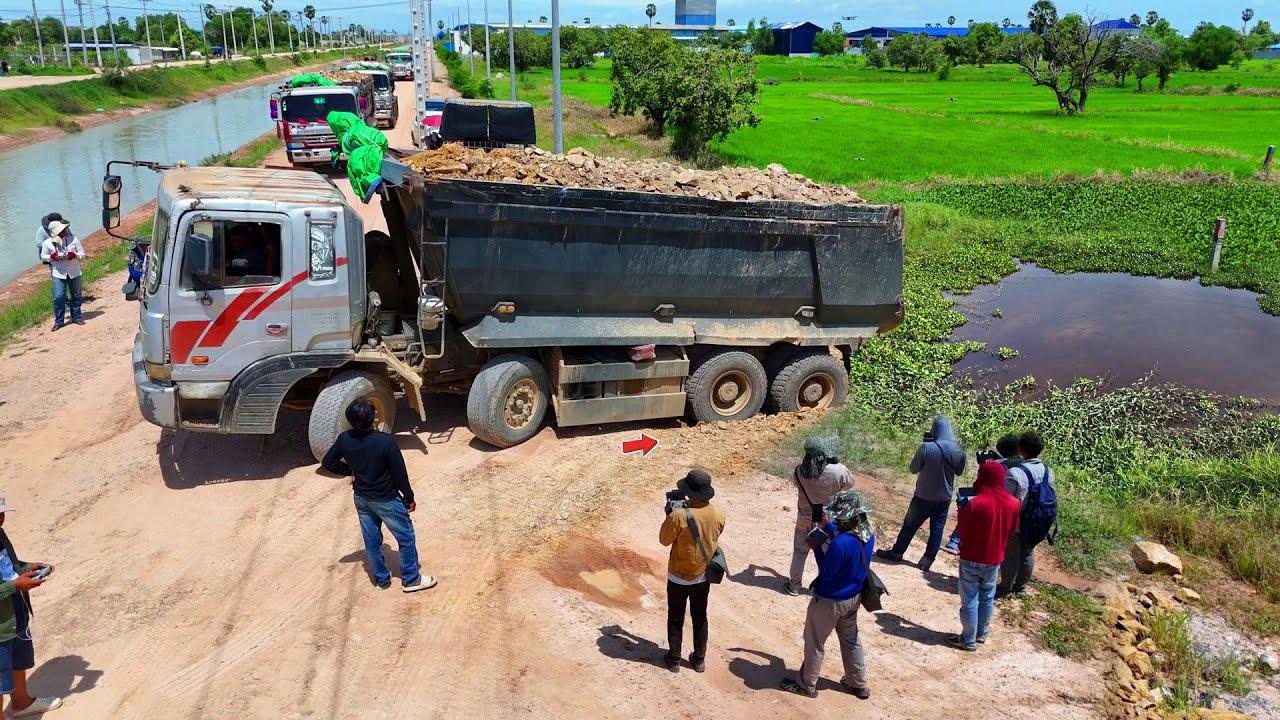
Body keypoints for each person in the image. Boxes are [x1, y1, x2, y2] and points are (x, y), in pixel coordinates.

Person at [322, 397, 435, 593]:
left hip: (362, 499)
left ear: (350, 420)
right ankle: (411, 579)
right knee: (406, 538)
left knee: (372, 541)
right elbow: (400, 475)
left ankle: (382, 580)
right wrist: (409, 498)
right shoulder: (386, 442)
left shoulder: (344, 439)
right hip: (387, 500)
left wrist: (350, 471)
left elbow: (328, 462)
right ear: (373, 418)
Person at [780, 490, 874, 700]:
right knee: (851, 640)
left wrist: (815, 548)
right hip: (854, 598)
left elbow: (827, 574)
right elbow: (848, 544)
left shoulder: (840, 544)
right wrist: (828, 528)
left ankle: (806, 685)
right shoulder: (868, 534)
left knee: (815, 642)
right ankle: (858, 684)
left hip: (830, 600)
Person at [945, 461, 1020, 651]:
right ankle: (981, 634)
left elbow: (962, 530)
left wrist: (962, 509)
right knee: (987, 597)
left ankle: (967, 640)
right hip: (995, 558)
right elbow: (1011, 529)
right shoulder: (1013, 503)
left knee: (969, 598)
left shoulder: (975, 503)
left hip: (972, 557)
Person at [876, 416, 966, 573]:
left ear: (934, 430)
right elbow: (959, 472)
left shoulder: (926, 447)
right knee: (937, 530)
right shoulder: (959, 450)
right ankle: (926, 561)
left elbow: (914, 468)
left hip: (922, 496)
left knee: (909, 526)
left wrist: (927, 446)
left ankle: (896, 553)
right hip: (944, 498)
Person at [0, 497, 63, 717]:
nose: (1, 519)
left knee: (19, 655)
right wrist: (15, 585)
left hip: (14, 608)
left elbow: (8, 565)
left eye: (1, 513)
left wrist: (26, 568)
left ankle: (21, 702)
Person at [659, 469, 726, 673]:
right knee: (700, 617)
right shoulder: (718, 513)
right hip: (702, 576)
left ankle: (674, 659)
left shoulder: (679, 515)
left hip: (678, 576)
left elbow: (664, 540)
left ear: (688, 492)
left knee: (676, 617)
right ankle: (698, 660)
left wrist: (669, 515)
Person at [786, 436, 853, 596]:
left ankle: (794, 586)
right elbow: (849, 484)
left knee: (800, 552)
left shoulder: (799, 471)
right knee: (828, 553)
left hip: (805, 517)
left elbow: (799, 483)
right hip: (826, 519)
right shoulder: (839, 470)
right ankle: (825, 585)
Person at [943, 433, 1021, 555]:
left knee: (968, 509)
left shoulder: (997, 464)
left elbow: (980, 484)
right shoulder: (1022, 465)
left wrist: (983, 465)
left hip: (989, 499)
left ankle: (954, 542)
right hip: (1010, 504)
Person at [998, 431, 1055, 597]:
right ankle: (1021, 588)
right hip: (1038, 520)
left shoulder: (1015, 473)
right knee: (1028, 553)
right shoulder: (1048, 471)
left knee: (1011, 556)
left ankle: (1005, 588)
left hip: (1017, 521)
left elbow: (1005, 499)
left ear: (1021, 449)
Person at [39, 221, 86, 331]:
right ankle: (59, 321)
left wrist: (75, 255)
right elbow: (43, 256)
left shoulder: (73, 240)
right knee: (58, 297)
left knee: (76, 295)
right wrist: (51, 257)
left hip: (74, 271)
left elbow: (83, 254)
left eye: (64, 229)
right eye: (61, 230)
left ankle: (77, 317)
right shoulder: (47, 243)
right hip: (58, 273)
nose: (64, 231)